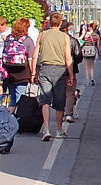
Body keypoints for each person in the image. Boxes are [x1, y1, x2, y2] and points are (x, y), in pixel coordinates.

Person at [31, 11, 74, 140]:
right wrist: (71, 75)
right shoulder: (64, 37)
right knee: (60, 101)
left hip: (45, 69)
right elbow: (68, 58)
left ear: (49, 22)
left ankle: (47, 129)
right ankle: (59, 131)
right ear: (60, 23)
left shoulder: (42, 35)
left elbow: (34, 55)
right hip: (60, 71)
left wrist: (33, 72)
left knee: (45, 100)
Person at [2, 18, 35, 111]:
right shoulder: (28, 40)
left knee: (12, 98)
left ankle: (10, 119)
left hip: (9, 71)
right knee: (20, 98)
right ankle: (18, 120)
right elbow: (30, 59)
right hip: (22, 73)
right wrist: (33, 73)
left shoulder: (9, 38)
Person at [60, 20, 83, 123]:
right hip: (70, 70)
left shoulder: (52, 39)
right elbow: (79, 56)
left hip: (55, 69)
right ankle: (68, 114)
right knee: (70, 93)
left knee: (59, 92)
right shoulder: (72, 40)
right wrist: (74, 63)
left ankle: (59, 113)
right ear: (67, 28)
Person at [81, 21, 101, 86]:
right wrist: (99, 54)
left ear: (91, 28)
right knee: (91, 66)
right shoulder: (97, 36)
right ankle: (92, 78)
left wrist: (83, 35)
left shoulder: (86, 34)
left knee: (87, 67)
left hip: (86, 51)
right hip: (92, 51)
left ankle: (87, 81)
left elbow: (81, 42)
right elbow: (98, 46)